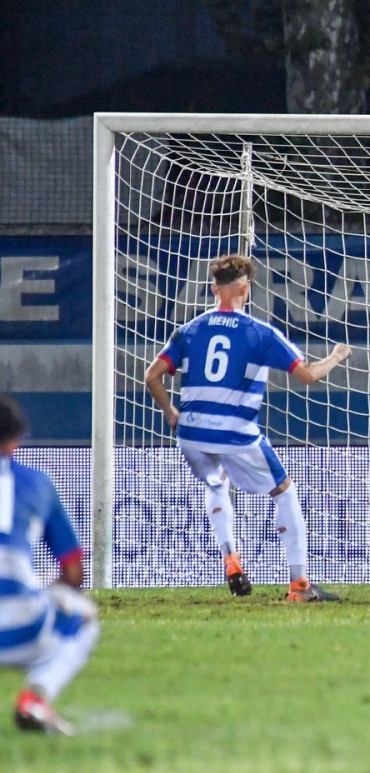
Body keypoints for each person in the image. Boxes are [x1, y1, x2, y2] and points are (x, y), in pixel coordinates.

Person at [144, 254, 351, 602]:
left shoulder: (188, 330)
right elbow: (308, 376)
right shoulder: (261, 333)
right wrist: (335, 356)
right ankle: (300, 585)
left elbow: (151, 376)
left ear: (214, 289)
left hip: (190, 435)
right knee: (284, 490)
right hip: (234, 433)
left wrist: (169, 411)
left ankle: (230, 558)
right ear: (245, 289)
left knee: (216, 481)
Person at [0, 395, 99, 734]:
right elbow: (74, 574)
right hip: (22, 628)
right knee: (83, 615)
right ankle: (35, 699)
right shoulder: (38, 482)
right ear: (15, 440)